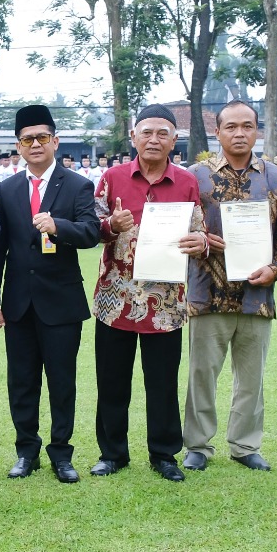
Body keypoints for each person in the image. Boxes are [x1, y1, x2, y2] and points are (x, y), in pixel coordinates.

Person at [89, 103, 208, 481]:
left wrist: (199, 241)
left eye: (162, 133)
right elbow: (90, 228)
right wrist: (111, 224)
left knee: (162, 383)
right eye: (147, 132)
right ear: (133, 137)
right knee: (111, 381)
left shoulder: (187, 182)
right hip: (115, 299)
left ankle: (164, 454)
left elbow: (200, 230)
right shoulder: (112, 178)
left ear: (175, 140)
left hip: (165, 303)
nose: (153, 139)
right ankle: (112, 453)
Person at [0, 105, 100, 483]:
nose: (35, 144)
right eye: (27, 139)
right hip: (18, 301)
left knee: (62, 381)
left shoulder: (78, 184)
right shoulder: (7, 189)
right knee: (22, 380)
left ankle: (62, 454)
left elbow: (90, 233)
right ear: (18, 146)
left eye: (42, 138)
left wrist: (58, 225)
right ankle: (26, 451)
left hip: (61, 302)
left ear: (55, 141)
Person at [182, 101, 277, 473]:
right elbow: (179, 227)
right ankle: (197, 445)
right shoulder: (194, 177)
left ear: (257, 131)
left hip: (256, 293)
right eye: (230, 127)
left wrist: (276, 268)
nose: (239, 133)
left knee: (251, 377)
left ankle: (246, 445)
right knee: (202, 373)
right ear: (217, 132)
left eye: (247, 126)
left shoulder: (276, 177)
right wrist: (200, 238)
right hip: (206, 291)